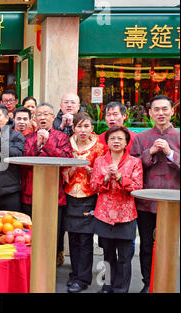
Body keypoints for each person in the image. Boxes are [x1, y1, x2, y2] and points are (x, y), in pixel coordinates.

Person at [130, 94, 180, 293]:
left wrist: (169, 153)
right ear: (150, 113)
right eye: (156, 110)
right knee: (146, 246)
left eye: (164, 109)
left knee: (170, 244)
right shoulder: (141, 138)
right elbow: (131, 166)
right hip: (146, 202)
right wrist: (148, 153)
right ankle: (147, 282)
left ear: (172, 111)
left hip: (173, 201)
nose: (161, 113)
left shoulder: (178, 137)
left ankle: (167, 281)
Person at [91, 126, 143, 293]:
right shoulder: (99, 161)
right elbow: (93, 187)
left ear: (126, 142)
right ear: (107, 142)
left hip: (126, 216)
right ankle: (107, 286)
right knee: (107, 255)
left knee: (125, 257)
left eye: (120, 138)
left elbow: (137, 187)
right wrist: (105, 178)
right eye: (112, 138)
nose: (116, 141)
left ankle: (121, 289)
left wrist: (120, 177)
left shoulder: (135, 162)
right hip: (104, 215)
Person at [23, 102, 72, 266]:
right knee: (31, 233)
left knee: (52, 234)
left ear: (53, 117)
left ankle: (50, 270)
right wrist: (37, 145)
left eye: (46, 114)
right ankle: (32, 267)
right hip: (31, 192)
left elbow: (65, 160)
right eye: (39, 114)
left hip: (54, 193)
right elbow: (24, 162)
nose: (43, 117)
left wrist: (48, 142)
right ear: (34, 118)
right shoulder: (28, 138)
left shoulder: (62, 137)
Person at [62, 112, 106, 292]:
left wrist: (90, 170)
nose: (82, 130)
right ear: (73, 128)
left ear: (92, 128)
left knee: (85, 238)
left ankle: (83, 278)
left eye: (86, 126)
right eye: (79, 126)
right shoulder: (67, 144)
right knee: (72, 236)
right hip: (71, 194)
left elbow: (102, 173)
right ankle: (76, 273)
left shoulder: (99, 147)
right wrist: (73, 168)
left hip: (90, 196)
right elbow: (63, 172)